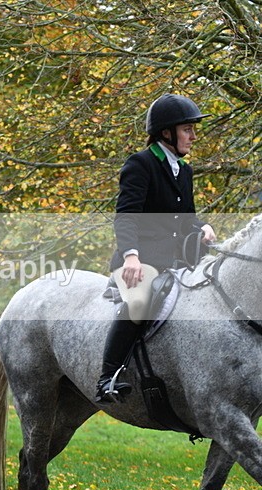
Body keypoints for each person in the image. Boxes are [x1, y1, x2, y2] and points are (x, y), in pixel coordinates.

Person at [94, 93, 216, 403]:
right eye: (187, 129)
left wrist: (201, 226)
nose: (193, 135)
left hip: (174, 261)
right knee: (141, 299)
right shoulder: (141, 164)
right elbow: (127, 216)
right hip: (138, 261)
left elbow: (184, 217)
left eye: (192, 129)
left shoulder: (183, 170)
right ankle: (108, 376)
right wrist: (131, 256)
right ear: (167, 132)